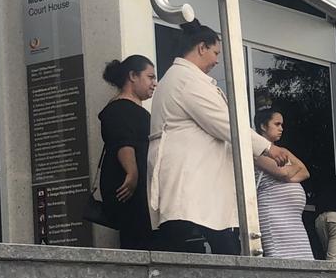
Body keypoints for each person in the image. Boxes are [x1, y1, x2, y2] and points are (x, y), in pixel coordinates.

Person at [147, 19, 290, 255]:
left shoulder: (180, 78)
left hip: (196, 184)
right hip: (191, 182)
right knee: (209, 242)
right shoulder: (187, 80)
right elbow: (226, 124)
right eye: (215, 52)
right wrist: (268, 148)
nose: (216, 60)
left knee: (196, 239)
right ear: (201, 47)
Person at [98, 54, 157, 250]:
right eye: (150, 77)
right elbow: (123, 144)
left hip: (140, 188)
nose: (154, 83)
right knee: (137, 239)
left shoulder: (133, 109)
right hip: (130, 188)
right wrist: (132, 173)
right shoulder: (119, 108)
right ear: (133, 76)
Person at [253, 108, 313, 260]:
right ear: (263, 126)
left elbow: (305, 172)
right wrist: (289, 172)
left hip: (293, 219)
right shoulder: (256, 150)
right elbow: (282, 172)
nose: (281, 128)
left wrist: (288, 176)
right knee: (283, 259)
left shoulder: (282, 150)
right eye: (277, 124)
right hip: (273, 213)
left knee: (304, 260)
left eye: (282, 125)